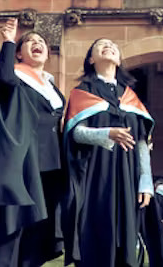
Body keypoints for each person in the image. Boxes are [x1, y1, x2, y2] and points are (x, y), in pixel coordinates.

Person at [63, 35, 154, 266]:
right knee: (96, 237)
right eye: (101, 46)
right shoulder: (82, 92)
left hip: (128, 174)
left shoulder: (130, 96)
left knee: (126, 240)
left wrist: (146, 181)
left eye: (113, 46)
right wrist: (107, 134)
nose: (109, 47)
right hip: (95, 174)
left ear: (120, 59)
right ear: (91, 59)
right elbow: (75, 133)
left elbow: (141, 141)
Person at [0, 18, 65, 267]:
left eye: (41, 41)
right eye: (30, 41)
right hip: (22, 165)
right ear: (19, 54)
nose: (37, 43)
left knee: (37, 235)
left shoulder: (53, 87)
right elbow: (5, 80)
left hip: (52, 168)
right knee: (11, 232)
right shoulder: (16, 78)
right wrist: (8, 42)